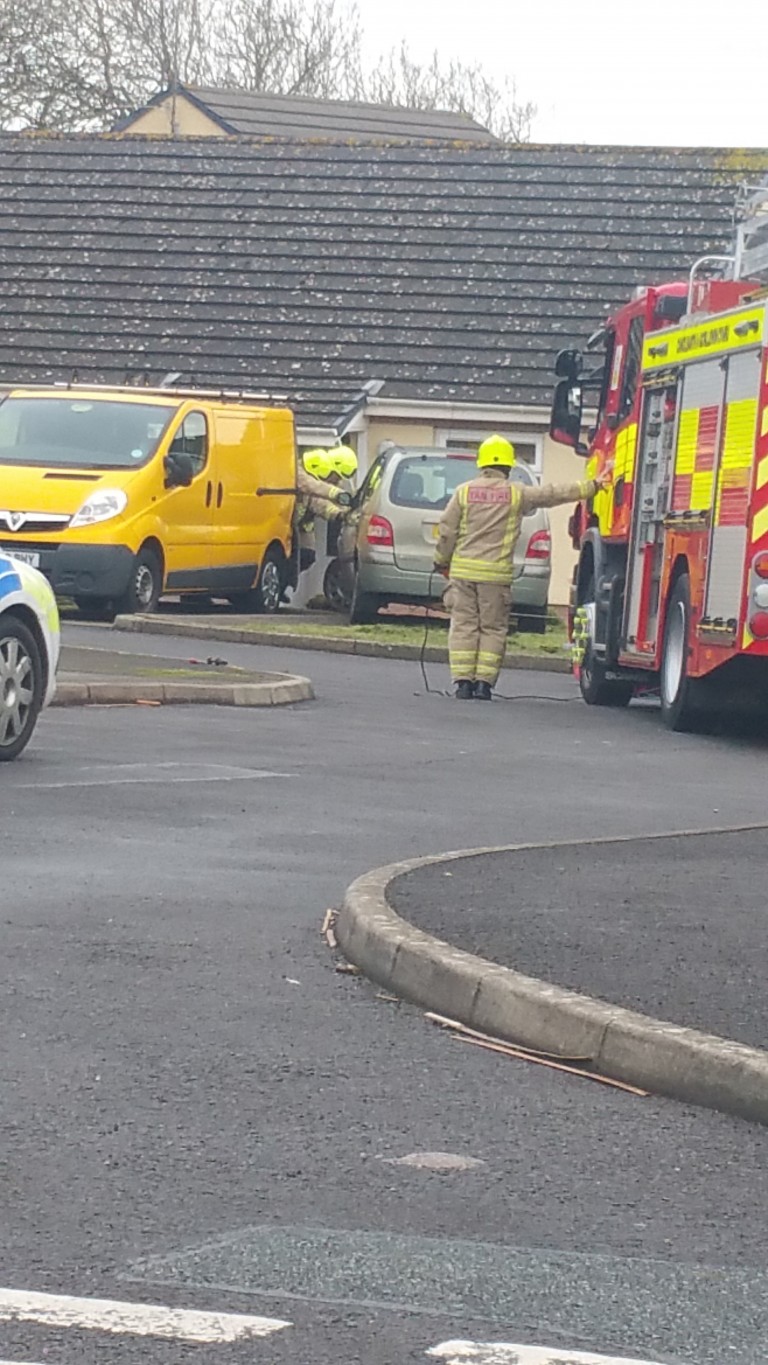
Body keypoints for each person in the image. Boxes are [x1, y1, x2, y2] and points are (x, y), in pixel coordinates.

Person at [434, 434, 610, 700]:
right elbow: (552, 494)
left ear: (482, 463)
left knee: (463, 626)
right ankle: (483, 684)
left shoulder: (464, 492)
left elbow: (447, 531)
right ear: (508, 465)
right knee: (492, 628)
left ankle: (462, 684)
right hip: (495, 577)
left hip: (462, 575)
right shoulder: (517, 494)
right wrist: (591, 487)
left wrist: (441, 561)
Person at [295, 449, 348, 575]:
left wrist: (339, 514)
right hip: (283, 527)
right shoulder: (296, 473)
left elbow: (318, 503)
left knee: (307, 556)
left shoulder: (308, 487)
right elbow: (311, 485)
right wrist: (335, 493)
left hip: (300, 529)